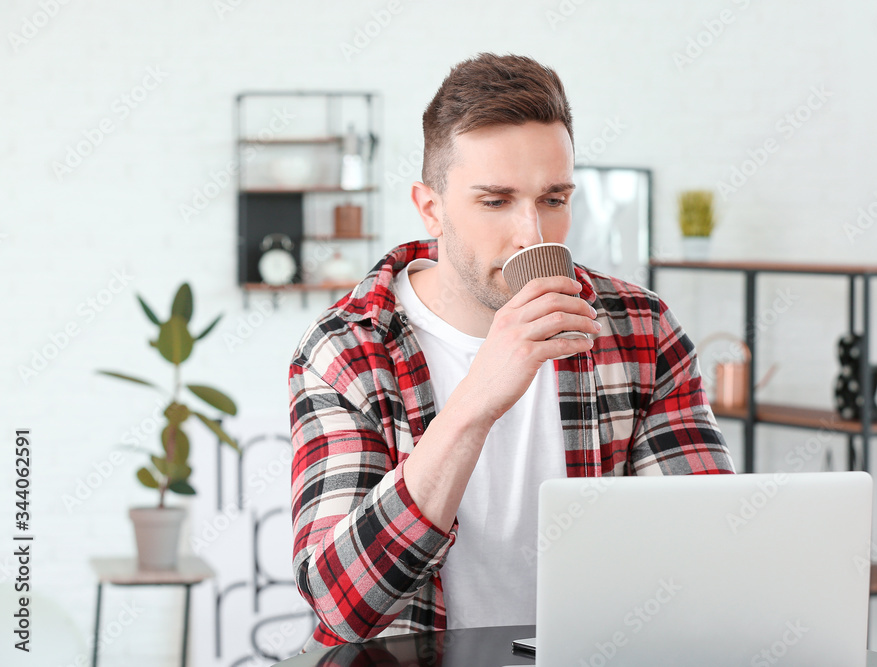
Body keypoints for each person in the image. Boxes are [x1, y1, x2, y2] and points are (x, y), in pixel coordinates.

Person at [288, 52, 734, 653]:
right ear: (431, 208)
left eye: (554, 198)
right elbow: (342, 606)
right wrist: (477, 399)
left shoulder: (637, 327)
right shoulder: (346, 349)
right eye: (496, 202)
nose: (533, 233)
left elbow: (706, 552)